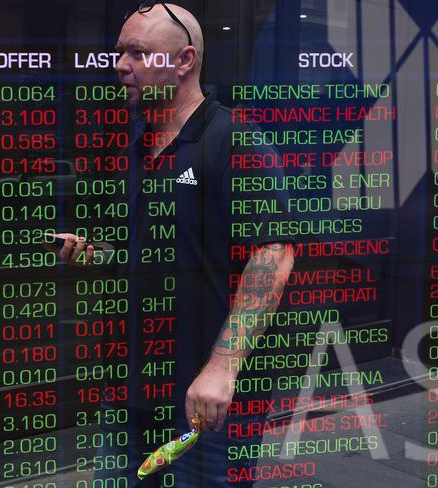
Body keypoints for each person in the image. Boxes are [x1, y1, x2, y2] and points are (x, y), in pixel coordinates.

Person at [49, 2, 295, 485]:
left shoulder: (233, 140)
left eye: (137, 53)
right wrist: (98, 256)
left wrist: (222, 368)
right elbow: (154, 250)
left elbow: (273, 256)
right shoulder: (138, 145)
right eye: (120, 52)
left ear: (183, 61)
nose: (121, 66)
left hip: (204, 401)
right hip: (130, 388)